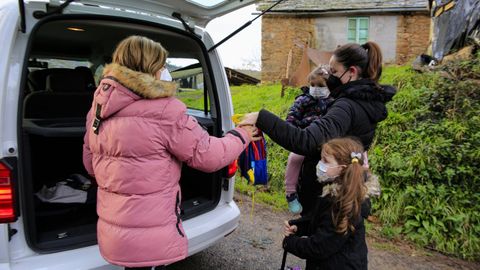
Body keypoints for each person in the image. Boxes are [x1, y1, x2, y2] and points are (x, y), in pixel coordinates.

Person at [82, 35, 258, 270]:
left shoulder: (98, 108)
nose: (165, 71)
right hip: (151, 237)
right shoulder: (165, 111)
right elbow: (209, 156)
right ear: (151, 68)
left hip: (113, 231)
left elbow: (90, 164)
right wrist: (242, 134)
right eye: (162, 65)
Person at [240, 41, 396, 215]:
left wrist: (262, 118)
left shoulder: (346, 107)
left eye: (334, 72)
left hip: (325, 199)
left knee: (317, 239)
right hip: (347, 191)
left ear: (352, 72)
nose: (330, 77)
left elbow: (307, 141)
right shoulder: (367, 103)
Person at [283, 137, 379, 270]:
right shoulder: (335, 192)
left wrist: (291, 243)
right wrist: (300, 227)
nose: (320, 164)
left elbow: (319, 247)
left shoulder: (342, 204)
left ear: (342, 168)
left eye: (325, 161)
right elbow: (321, 222)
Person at [285, 66, 332, 214]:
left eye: (320, 86)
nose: (315, 89)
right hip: (304, 137)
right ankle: (290, 193)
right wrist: (292, 131)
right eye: (312, 85)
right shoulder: (303, 99)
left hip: (325, 140)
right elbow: (291, 116)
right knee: (294, 158)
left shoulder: (333, 102)